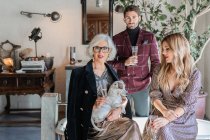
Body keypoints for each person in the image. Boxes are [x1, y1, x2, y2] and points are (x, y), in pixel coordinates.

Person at [65, 34, 141, 140]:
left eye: (105, 48)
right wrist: (93, 107)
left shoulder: (113, 71)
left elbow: (124, 98)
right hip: (92, 125)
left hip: (112, 120)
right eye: (97, 48)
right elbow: (72, 109)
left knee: (133, 126)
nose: (101, 52)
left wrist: (119, 109)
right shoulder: (78, 74)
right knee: (131, 128)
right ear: (92, 50)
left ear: (109, 51)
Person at [143, 33, 202, 139]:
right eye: (163, 49)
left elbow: (187, 104)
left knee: (163, 128)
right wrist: (164, 111)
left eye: (167, 49)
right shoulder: (159, 69)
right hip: (161, 112)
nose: (163, 52)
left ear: (179, 49)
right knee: (158, 127)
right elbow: (154, 95)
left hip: (183, 121)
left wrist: (168, 119)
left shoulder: (194, 74)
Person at [109, 5, 160, 117]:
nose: (131, 20)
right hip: (122, 86)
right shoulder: (116, 39)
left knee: (143, 117)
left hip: (143, 85)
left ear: (139, 18)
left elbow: (155, 62)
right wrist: (124, 63)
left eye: (134, 17)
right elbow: (108, 63)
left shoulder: (149, 37)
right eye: (128, 17)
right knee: (124, 119)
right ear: (124, 19)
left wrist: (154, 83)